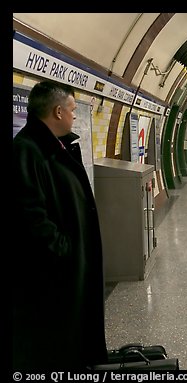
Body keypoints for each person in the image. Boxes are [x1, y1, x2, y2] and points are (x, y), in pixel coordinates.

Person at [11, 80, 108, 369]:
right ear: (56, 112)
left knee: (72, 336)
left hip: (68, 268)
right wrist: (64, 250)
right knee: (55, 343)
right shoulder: (26, 151)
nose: (74, 115)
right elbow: (30, 216)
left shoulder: (55, 147)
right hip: (52, 274)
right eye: (71, 109)